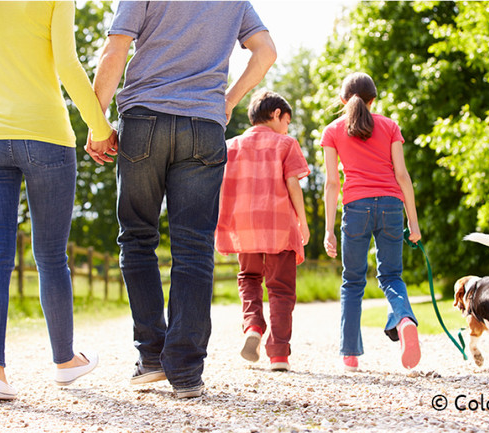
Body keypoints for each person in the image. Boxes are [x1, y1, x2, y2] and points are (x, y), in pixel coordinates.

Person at [85, 2, 276, 398]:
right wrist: (228, 101)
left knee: (137, 239)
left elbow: (115, 49)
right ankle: (187, 371)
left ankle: (152, 356)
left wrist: (96, 119)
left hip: (144, 123)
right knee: (193, 247)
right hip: (204, 126)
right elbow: (267, 52)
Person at [0, 1, 117, 401]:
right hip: (46, 133)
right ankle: (65, 362)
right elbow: (67, 64)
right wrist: (99, 126)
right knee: (50, 256)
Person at [320, 72, 422, 372]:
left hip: (356, 208)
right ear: (373, 99)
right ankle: (403, 319)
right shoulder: (390, 126)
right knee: (391, 276)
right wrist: (413, 223)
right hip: (391, 206)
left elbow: (330, 184)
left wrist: (328, 229)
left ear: (342, 100)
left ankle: (350, 354)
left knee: (352, 282)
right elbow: (402, 176)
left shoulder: (332, 130)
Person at [215, 90, 310, 372]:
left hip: (244, 225)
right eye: (287, 121)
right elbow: (293, 184)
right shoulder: (286, 144)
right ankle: (279, 354)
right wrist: (302, 221)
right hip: (278, 223)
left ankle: (253, 325)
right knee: (280, 288)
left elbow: (220, 187)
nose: (287, 128)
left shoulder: (231, 145)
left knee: (249, 277)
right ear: (277, 114)